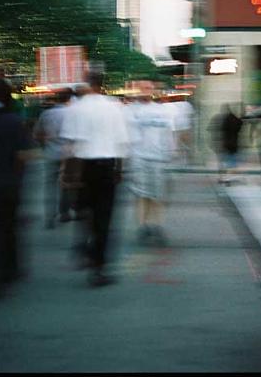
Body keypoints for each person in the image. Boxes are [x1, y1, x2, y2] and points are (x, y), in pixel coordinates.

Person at [60, 72, 129, 286]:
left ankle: (84, 245)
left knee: (83, 209)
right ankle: (99, 267)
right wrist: (119, 170)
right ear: (101, 85)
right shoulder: (115, 107)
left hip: (82, 166)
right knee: (104, 217)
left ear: (88, 85)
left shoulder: (76, 108)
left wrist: (66, 172)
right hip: (107, 165)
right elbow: (121, 141)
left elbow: (70, 145)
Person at [128, 81, 175, 245]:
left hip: (159, 159)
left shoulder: (162, 111)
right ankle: (143, 226)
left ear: (153, 90)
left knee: (157, 195)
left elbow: (168, 134)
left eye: (149, 88)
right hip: (139, 158)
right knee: (141, 195)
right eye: (143, 88)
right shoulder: (131, 111)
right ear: (138, 90)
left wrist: (170, 154)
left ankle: (157, 225)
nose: (146, 90)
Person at [0, 79, 31, 296]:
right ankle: (9, 269)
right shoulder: (14, 121)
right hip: (8, 185)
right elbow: (23, 156)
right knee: (7, 227)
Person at [33, 88, 74, 228]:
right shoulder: (73, 114)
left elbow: (37, 134)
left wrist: (45, 145)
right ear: (70, 98)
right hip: (68, 155)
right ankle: (64, 212)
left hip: (51, 154)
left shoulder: (46, 114)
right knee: (67, 186)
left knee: (50, 186)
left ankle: (49, 216)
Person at [208, 104, 243, 183]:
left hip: (221, 144)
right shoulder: (234, 118)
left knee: (221, 162)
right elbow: (240, 125)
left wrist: (212, 141)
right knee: (231, 163)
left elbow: (210, 129)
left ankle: (222, 178)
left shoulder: (217, 117)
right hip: (232, 144)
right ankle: (228, 178)